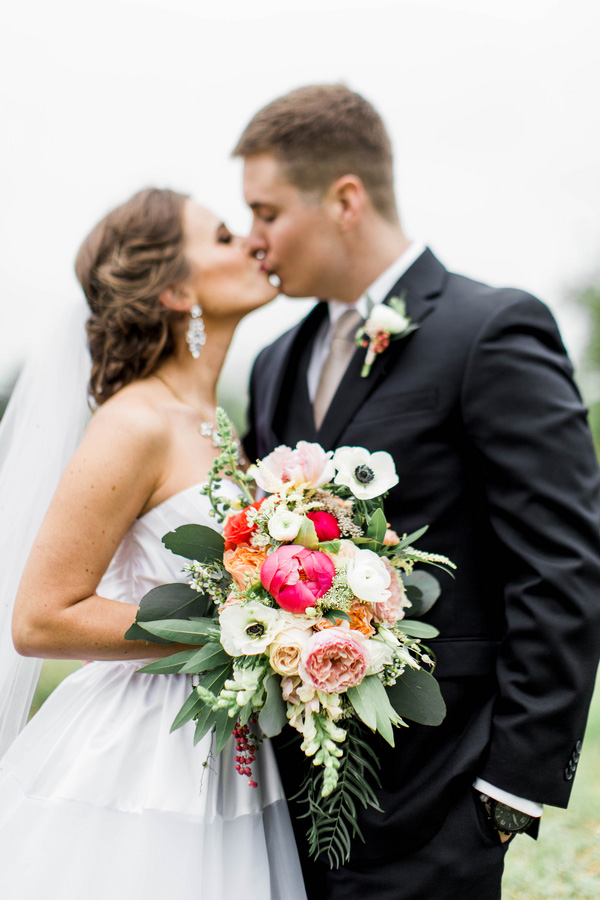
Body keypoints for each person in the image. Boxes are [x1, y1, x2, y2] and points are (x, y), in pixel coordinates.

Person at [234, 84, 600, 900]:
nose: (253, 240)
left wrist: (508, 791)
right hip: (286, 807)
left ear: (345, 199)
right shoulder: (272, 364)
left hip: (442, 795)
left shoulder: (490, 328)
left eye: (266, 212)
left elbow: (563, 566)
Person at [0, 188, 306, 900]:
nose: (254, 245)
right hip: (140, 753)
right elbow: (42, 617)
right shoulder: (134, 422)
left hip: (230, 749)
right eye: (227, 237)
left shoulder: (216, 421)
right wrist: (241, 630)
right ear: (174, 289)